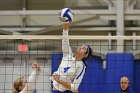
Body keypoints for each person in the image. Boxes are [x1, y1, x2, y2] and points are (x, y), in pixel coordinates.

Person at [51, 21, 92, 93]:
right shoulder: (68, 54)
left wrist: (59, 80)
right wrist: (65, 22)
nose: (80, 47)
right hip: (54, 90)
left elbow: (74, 88)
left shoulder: (81, 66)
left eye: (84, 48)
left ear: (86, 55)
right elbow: (65, 39)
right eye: (81, 46)